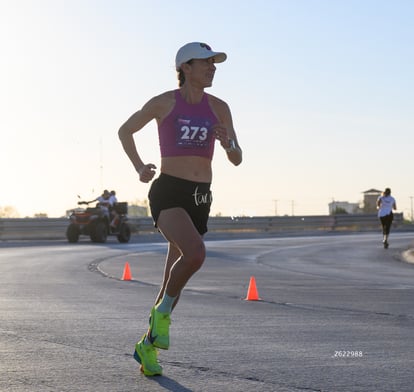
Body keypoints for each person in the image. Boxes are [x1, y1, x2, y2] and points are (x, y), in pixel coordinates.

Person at [118, 42, 242, 376]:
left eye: (215, 64)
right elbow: (125, 130)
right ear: (186, 67)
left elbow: (237, 156)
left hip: (201, 197)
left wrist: (226, 141)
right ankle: (162, 316)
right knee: (196, 253)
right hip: (169, 191)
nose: (213, 68)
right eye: (207, 63)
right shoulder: (164, 103)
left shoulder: (220, 108)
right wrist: (139, 166)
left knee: (172, 279)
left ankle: (147, 346)